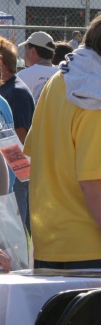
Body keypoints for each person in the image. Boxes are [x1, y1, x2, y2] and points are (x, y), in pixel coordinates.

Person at [23, 9, 101, 268]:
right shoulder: (96, 101)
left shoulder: (60, 79)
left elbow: (35, 150)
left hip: (50, 240)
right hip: (90, 247)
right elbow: (91, 183)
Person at [0, 38, 34, 227]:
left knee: (16, 227)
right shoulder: (8, 91)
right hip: (12, 174)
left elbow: (21, 136)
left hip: (15, 174)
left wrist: (23, 175)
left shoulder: (15, 92)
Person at [16, 31, 57, 103]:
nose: (24, 55)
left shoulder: (23, 75)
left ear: (33, 51)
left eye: (26, 49)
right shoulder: (62, 73)